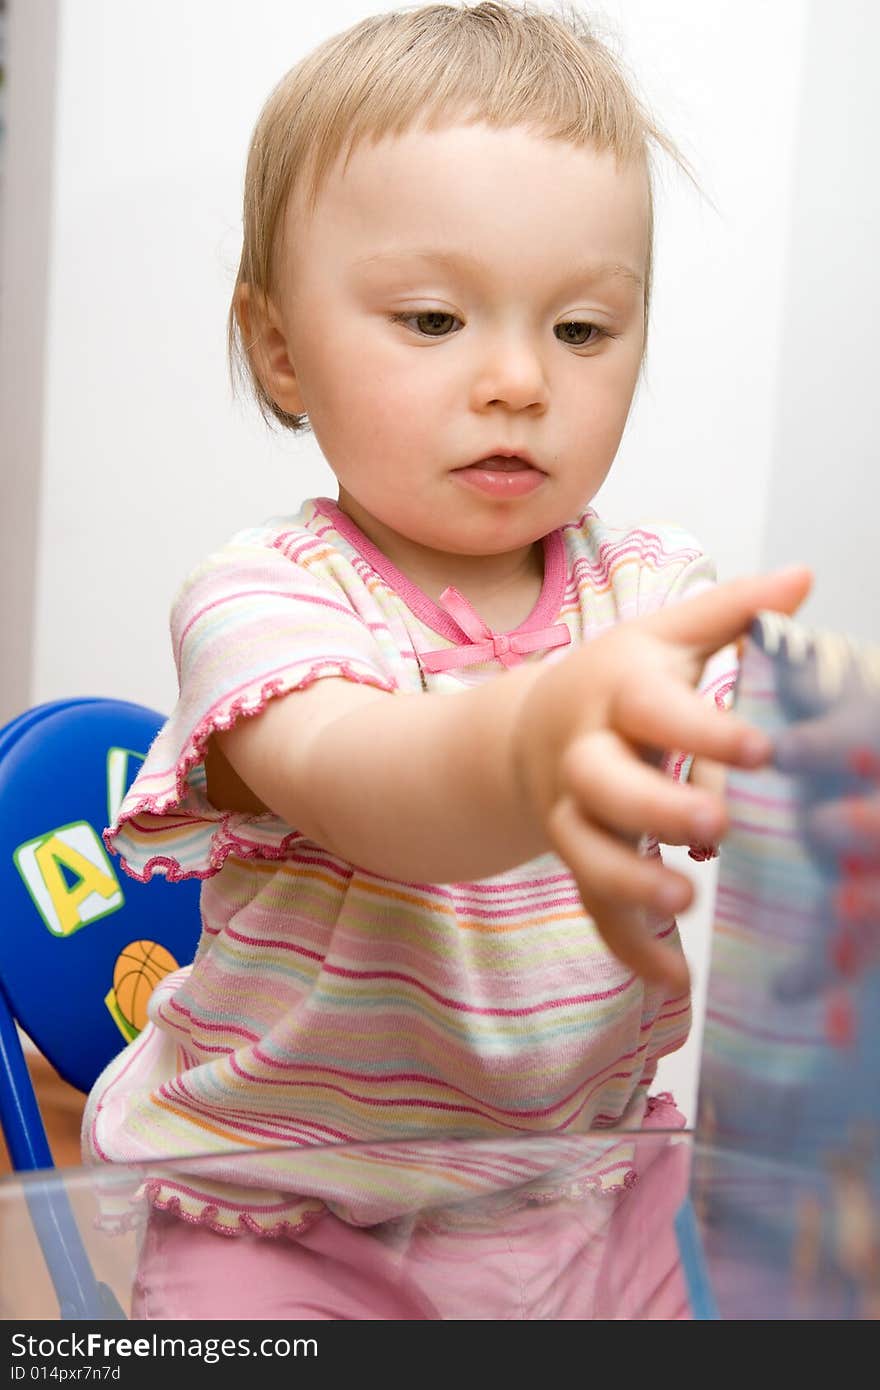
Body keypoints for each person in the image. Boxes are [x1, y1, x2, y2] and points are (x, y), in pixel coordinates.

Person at [81, 2, 811, 1319]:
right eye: (432, 319)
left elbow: (771, 778)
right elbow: (379, 784)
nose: (521, 378)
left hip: (586, 1186)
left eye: (583, 329)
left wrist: (798, 777)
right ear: (281, 348)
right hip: (292, 1215)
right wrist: (543, 736)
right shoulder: (260, 600)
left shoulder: (652, 591)